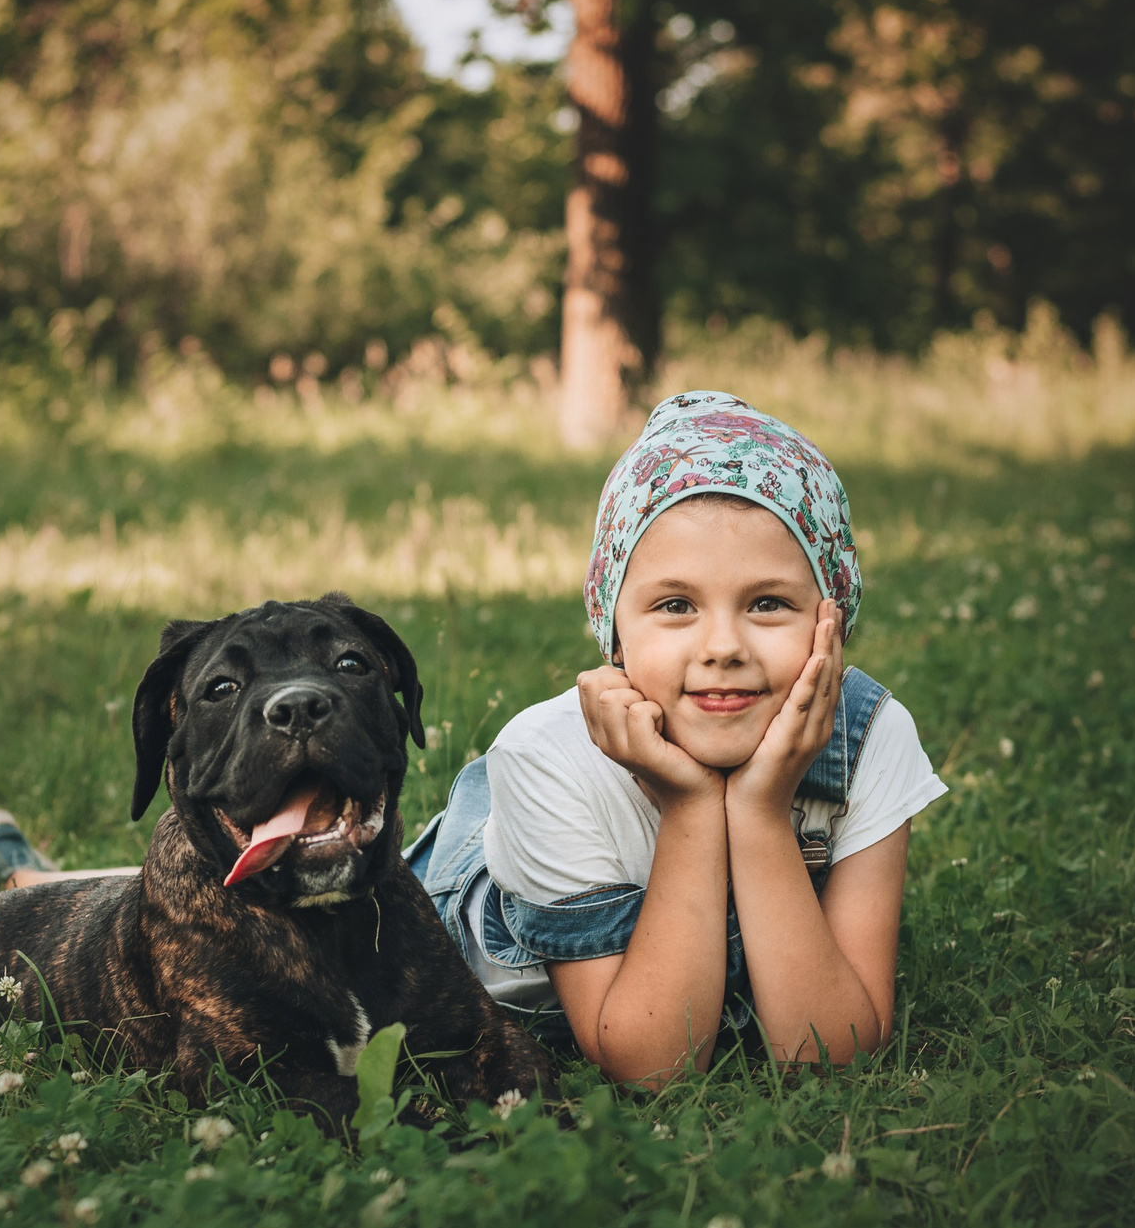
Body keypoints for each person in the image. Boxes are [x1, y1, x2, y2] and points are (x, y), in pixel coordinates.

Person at [405, 390, 946, 1088]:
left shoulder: (869, 736)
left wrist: (756, 810)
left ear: (831, 620)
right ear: (613, 630)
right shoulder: (545, 760)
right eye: (675, 605)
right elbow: (654, 1065)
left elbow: (829, 1051)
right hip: (492, 933)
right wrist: (692, 808)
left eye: (767, 603)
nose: (722, 645)